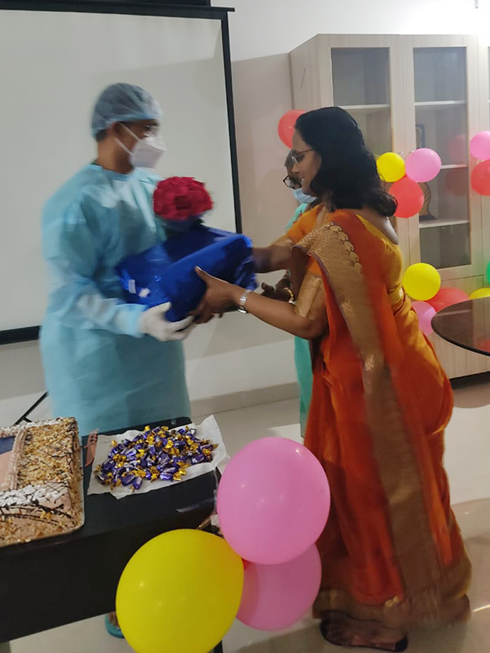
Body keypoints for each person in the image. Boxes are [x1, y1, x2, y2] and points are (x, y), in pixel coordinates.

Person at [194, 107, 471, 650]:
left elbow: (308, 320)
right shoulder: (337, 209)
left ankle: (389, 619)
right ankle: (430, 591)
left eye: (298, 155)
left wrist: (237, 297)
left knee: (373, 497)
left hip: (376, 384)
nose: (291, 166)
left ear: (326, 155)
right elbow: (278, 254)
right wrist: (206, 256)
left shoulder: (342, 230)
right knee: (407, 490)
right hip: (393, 366)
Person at [40, 83, 193, 436]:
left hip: (156, 360)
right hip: (96, 364)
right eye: (147, 129)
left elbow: (173, 256)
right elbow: (70, 294)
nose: (155, 139)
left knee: (168, 451)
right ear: (115, 129)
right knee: (105, 460)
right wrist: (136, 320)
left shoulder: (153, 187)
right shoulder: (73, 203)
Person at [261, 152, 316, 436]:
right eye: (291, 181)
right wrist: (286, 287)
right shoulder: (301, 214)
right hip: (303, 321)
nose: (297, 187)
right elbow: (291, 264)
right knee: (309, 386)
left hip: (328, 324)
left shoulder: (343, 217)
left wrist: (237, 295)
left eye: (299, 178)